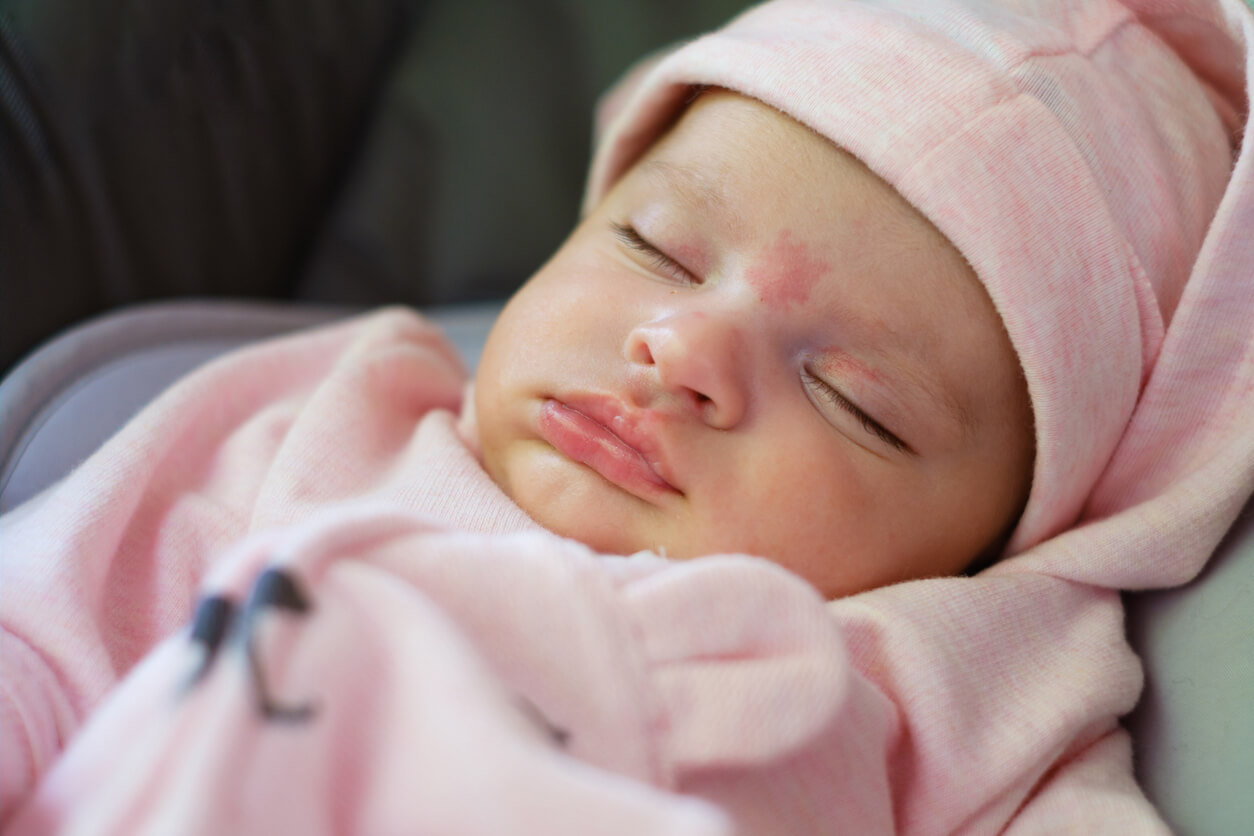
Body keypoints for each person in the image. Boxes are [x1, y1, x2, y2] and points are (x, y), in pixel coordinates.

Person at [1, 0, 1251, 832]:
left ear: (998, 545)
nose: (684, 347)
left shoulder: (974, 704)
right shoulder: (327, 424)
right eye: (654, 247)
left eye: (855, 401)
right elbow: (38, 652)